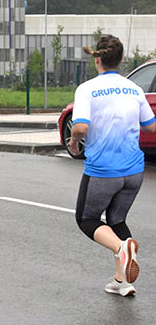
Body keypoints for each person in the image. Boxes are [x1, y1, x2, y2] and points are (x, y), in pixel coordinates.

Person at [70, 35, 156, 297]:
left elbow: (81, 127)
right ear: (121, 60)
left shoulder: (87, 89)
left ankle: (121, 248)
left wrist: (73, 139)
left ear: (97, 59)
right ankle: (122, 282)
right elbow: (151, 126)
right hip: (134, 171)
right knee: (117, 220)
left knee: (87, 219)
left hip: (103, 170)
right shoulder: (134, 89)